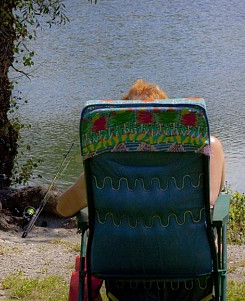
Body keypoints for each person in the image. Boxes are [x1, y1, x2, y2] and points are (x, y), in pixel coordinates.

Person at [55, 79, 226, 217]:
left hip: (114, 255)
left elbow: (63, 209)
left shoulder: (103, 157)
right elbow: (211, 202)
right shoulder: (209, 148)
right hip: (190, 255)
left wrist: (86, 177)